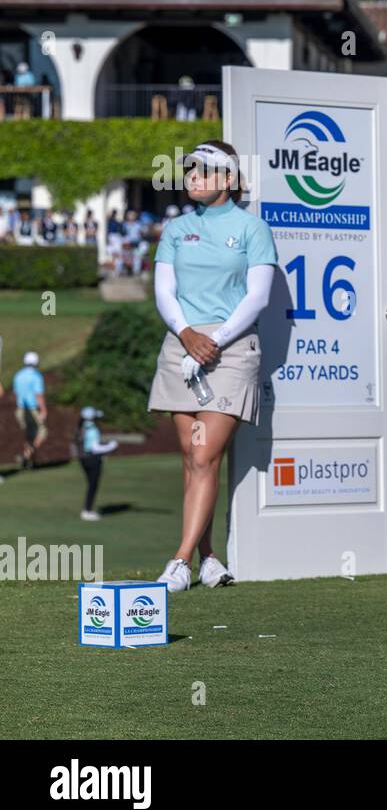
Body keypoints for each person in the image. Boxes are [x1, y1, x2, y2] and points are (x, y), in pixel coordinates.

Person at [148, 140, 278, 592]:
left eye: (203, 171)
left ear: (228, 179)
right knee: (193, 459)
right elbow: (165, 290)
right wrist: (186, 334)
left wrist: (213, 340)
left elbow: (257, 296)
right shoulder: (175, 228)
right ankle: (208, 559)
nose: (192, 178)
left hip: (231, 348)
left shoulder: (251, 228)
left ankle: (179, 561)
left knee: (204, 454)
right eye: (189, 170)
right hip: (181, 344)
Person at [75, 406, 118, 521]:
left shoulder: (81, 427)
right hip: (93, 460)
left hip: (83, 460)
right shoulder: (93, 429)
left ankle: (87, 509)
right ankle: (87, 511)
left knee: (91, 485)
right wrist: (110, 446)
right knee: (93, 485)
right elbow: (95, 448)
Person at [9, 351, 47, 469]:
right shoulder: (36, 376)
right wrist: (43, 409)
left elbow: (15, 393)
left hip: (20, 409)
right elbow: (38, 395)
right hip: (32, 409)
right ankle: (26, 457)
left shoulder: (18, 375)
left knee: (29, 436)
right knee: (42, 433)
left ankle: (32, 463)